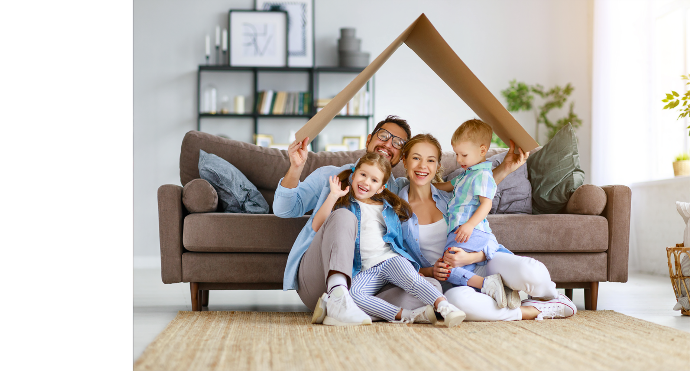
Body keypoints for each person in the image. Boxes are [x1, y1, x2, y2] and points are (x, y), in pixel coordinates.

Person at [273, 115, 531, 325]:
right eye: (384, 136)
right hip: (319, 277)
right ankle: (338, 297)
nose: (389, 144)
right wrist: (296, 167)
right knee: (343, 216)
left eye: (398, 143)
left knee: (430, 287)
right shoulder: (331, 176)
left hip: (367, 279)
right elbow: (284, 209)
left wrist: (503, 169)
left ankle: (360, 310)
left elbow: (463, 193)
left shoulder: (396, 191)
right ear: (369, 139)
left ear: (401, 157)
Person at [399, 132, 577, 321]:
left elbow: (479, 185)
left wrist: (473, 256)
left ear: (438, 166)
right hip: (455, 281)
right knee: (457, 302)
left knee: (531, 272)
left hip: (484, 262)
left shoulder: (454, 199)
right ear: (405, 161)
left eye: (430, 160)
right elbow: (396, 262)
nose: (422, 166)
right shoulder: (396, 210)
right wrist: (430, 271)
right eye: (416, 158)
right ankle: (533, 310)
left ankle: (552, 297)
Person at [312, 152, 467, 327]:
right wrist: (333, 195)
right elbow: (318, 227)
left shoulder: (386, 209)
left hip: (390, 260)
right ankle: (406, 315)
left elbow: (399, 243)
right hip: (365, 270)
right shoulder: (343, 205)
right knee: (354, 295)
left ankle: (445, 307)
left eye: (373, 180)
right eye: (363, 175)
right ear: (353, 175)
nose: (366, 182)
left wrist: (412, 267)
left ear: (380, 188)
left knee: (414, 281)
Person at [442, 119, 518, 308]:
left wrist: (469, 225)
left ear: (482, 150)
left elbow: (486, 204)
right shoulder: (465, 174)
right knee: (457, 273)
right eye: (456, 154)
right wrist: (426, 185)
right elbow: (445, 186)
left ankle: (489, 285)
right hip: (464, 232)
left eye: (463, 155)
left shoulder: (482, 175)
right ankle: (499, 291)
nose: (459, 160)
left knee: (447, 268)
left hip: (469, 232)